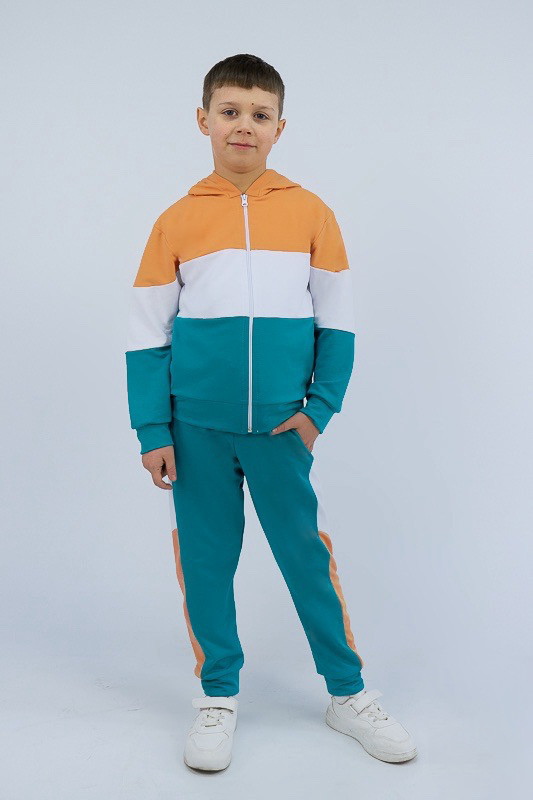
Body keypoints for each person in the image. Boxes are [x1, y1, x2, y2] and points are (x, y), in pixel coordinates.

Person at [125, 53, 417, 771]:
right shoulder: (176, 221)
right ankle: (217, 695)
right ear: (203, 120)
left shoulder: (311, 213)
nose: (243, 126)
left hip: (283, 428)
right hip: (194, 430)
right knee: (205, 561)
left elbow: (337, 324)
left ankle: (347, 692)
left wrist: (318, 411)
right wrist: (153, 428)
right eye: (229, 112)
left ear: (279, 127)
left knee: (304, 559)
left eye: (259, 115)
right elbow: (146, 335)